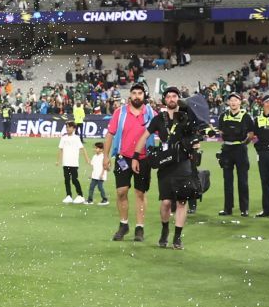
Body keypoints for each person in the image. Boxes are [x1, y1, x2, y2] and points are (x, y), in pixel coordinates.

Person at [150, 87, 205, 249]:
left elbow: (196, 138)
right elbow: (147, 135)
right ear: (164, 100)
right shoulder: (160, 119)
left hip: (184, 164)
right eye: (168, 96)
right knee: (166, 202)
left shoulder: (187, 118)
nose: (171, 98)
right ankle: (165, 230)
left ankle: (177, 237)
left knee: (182, 201)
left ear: (178, 99)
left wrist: (195, 150)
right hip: (166, 163)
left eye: (174, 96)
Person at [107, 83, 155, 241]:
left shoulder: (151, 113)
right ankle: (123, 224)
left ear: (144, 95)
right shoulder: (119, 112)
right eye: (134, 93)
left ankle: (139, 227)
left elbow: (164, 129)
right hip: (123, 158)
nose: (136, 96)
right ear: (130, 95)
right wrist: (106, 156)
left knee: (140, 193)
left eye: (139, 93)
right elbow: (110, 134)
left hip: (143, 158)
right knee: (121, 191)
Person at [215, 93, 252, 216]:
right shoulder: (223, 116)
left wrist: (243, 143)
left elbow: (251, 133)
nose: (233, 102)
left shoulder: (246, 116)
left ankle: (244, 208)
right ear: (228, 103)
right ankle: (228, 208)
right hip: (227, 149)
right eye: (231, 100)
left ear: (240, 102)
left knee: (243, 181)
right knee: (227, 181)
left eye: (235, 100)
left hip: (240, 149)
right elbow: (220, 131)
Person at [58, 125, 85, 203]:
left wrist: (87, 159)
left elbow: (82, 148)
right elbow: (61, 149)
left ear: (74, 129)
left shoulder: (76, 138)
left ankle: (80, 195)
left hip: (74, 163)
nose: (67, 129)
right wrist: (58, 160)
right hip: (65, 162)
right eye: (67, 127)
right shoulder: (64, 138)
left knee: (74, 179)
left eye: (69, 127)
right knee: (66, 180)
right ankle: (68, 195)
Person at [85, 139, 109, 205]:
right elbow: (93, 166)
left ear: (101, 149)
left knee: (100, 187)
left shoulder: (104, 157)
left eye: (97, 148)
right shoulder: (94, 156)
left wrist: (102, 174)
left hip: (100, 176)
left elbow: (104, 167)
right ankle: (90, 200)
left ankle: (105, 199)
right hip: (95, 176)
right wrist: (91, 174)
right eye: (95, 148)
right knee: (91, 187)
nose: (95, 149)